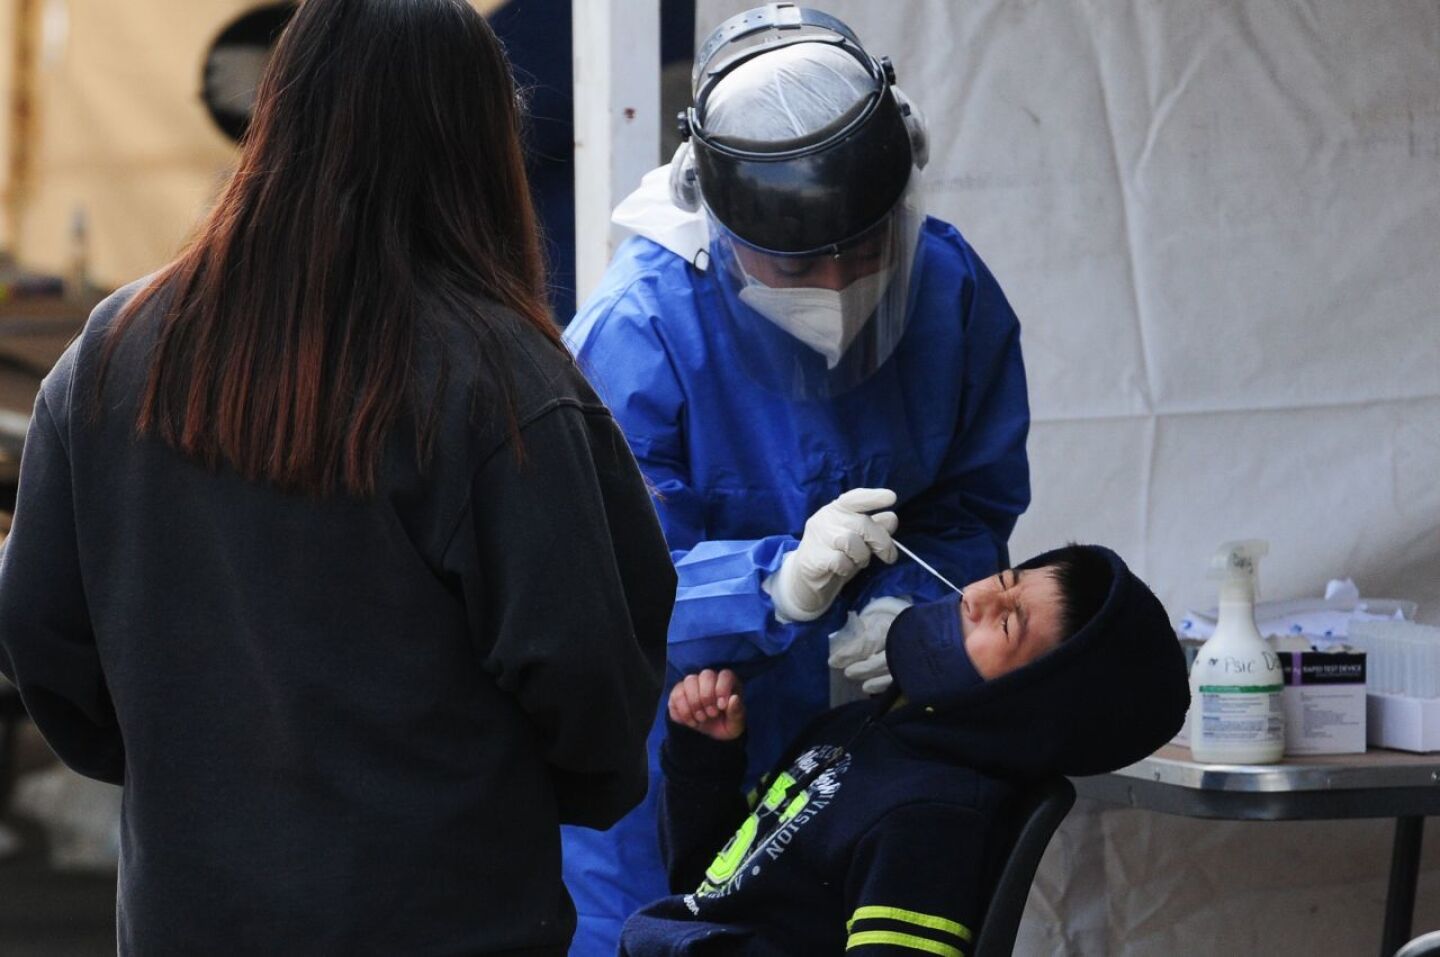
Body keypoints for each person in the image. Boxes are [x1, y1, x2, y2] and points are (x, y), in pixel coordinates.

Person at [0, 1, 673, 954]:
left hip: (188, 920)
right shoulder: (505, 384)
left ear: (278, 114)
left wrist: (177, 759)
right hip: (448, 918)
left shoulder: (112, 354)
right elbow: (596, 681)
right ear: (478, 140)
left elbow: (37, 630)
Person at [561, 5, 1031, 949]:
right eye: (794, 262)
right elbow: (597, 586)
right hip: (669, 784)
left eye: (863, 251)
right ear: (716, 215)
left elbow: (974, 500)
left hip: (857, 778)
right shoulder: (640, 333)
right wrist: (769, 585)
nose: (836, 288)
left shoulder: (947, 288)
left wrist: (916, 614)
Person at [621, 545, 1190, 955]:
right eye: (1007, 579)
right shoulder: (852, 729)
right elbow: (703, 886)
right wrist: (706, 759)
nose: (976, 595)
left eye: (1008, 622)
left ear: (1030, 703)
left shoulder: (933, 819)